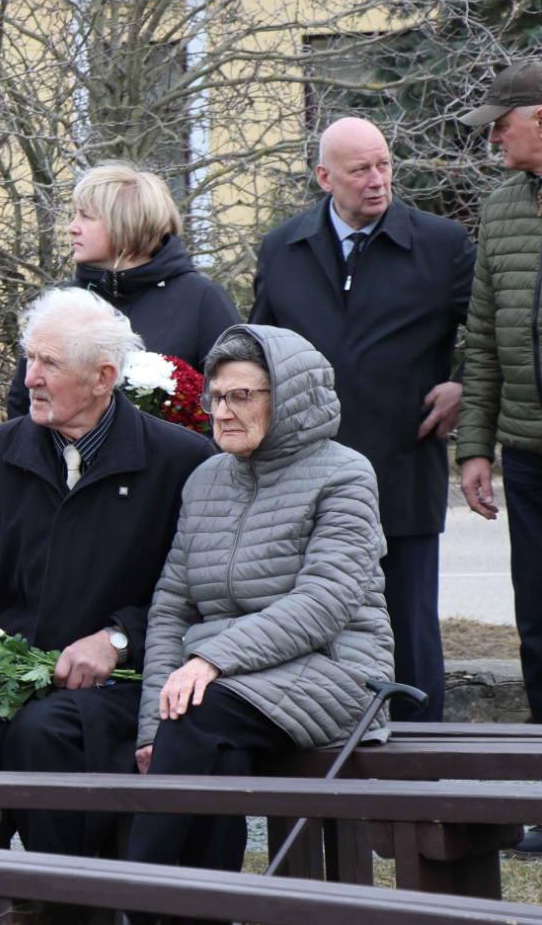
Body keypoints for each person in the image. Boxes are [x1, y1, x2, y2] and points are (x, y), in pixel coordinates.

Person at [0, 287, 214, 864]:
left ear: (103, 376)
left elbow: (197, 597)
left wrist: (117, 637)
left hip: (121, 682)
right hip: (13, 671)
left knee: (45, 733)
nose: (29, 377)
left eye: (49, 364)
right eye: (29, 358)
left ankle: (68, 903)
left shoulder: (182, 461)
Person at [129, 326, 393, 918]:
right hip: (226, 686)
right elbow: (172, 606)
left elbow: (327, 600)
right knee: (204, 740)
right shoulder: (205, 480)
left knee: (200, 713)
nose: (222, 412)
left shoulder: (345, 474)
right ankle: (201, 912)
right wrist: (151, 727)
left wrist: (213, 659)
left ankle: (135, 899)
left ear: (290, 397)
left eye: (241, 396)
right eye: (216, 398)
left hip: (337, 671)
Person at [249, 117, 473, 723]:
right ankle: (330, 780)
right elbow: (256, 351)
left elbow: (494, 336)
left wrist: (465, 386)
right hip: (300, 479)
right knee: (306, 629)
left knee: (409, 629)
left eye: (384, 166)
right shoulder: (282, 247)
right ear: (325, 178)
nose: (378, 181)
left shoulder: (442, 244)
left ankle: (422, 782)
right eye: (360, 170)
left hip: (401, 468)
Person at [454, 60, 542, 857]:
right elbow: (481, 340)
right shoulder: (503, 206)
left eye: (501, 122)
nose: (492, 135)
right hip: (531, 454)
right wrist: (476, 444)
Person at [5, 163, 240, 416]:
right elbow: (23, 405)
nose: (72, 227)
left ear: (125, 224)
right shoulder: (61, 304)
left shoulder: (202, 301)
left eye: (86, 216)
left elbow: (236, 402)